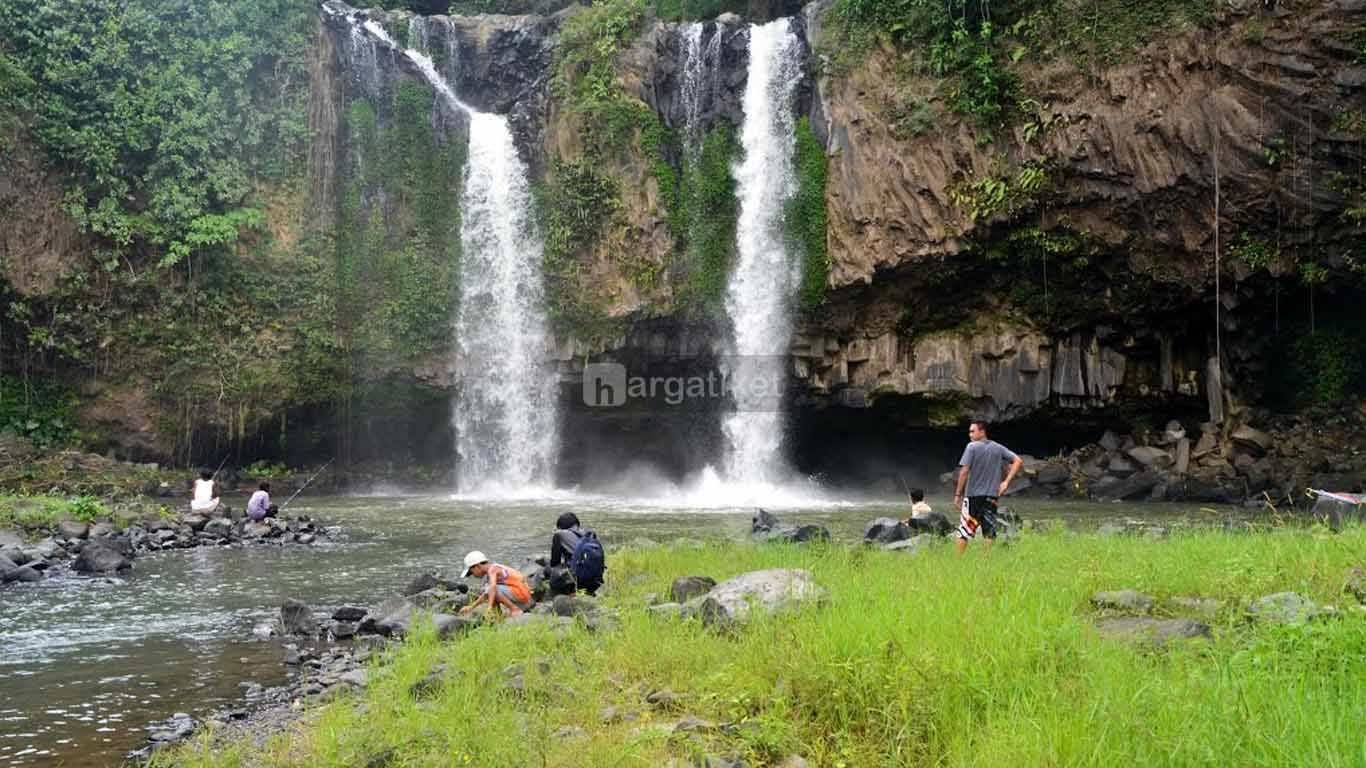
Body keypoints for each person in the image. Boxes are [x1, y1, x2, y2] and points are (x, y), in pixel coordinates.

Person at [953, 421, 1023, 554]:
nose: (970, 434)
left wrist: (957, 495)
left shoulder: (971, 447)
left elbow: (964, 471)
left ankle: (957, 561)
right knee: (989, 531)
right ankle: (983, 561)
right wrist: (1006, 482)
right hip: (991, 497)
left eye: (972, 431)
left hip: (973, 496)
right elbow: (1018, 461)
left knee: (964, 530)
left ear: (982, 431)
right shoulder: (998, 448)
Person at [459, 551, 531, 617]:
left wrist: (489, 607)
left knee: (491, 589)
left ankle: (515, 609)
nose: (473, 575)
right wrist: (471, 607)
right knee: (490, 591)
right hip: (521, 594)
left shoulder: (492, 569)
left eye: (471, 572)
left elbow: (492, 588)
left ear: (477, 566)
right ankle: (498, 615)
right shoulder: (491, 571)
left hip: (522, 594)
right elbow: (486, 594)